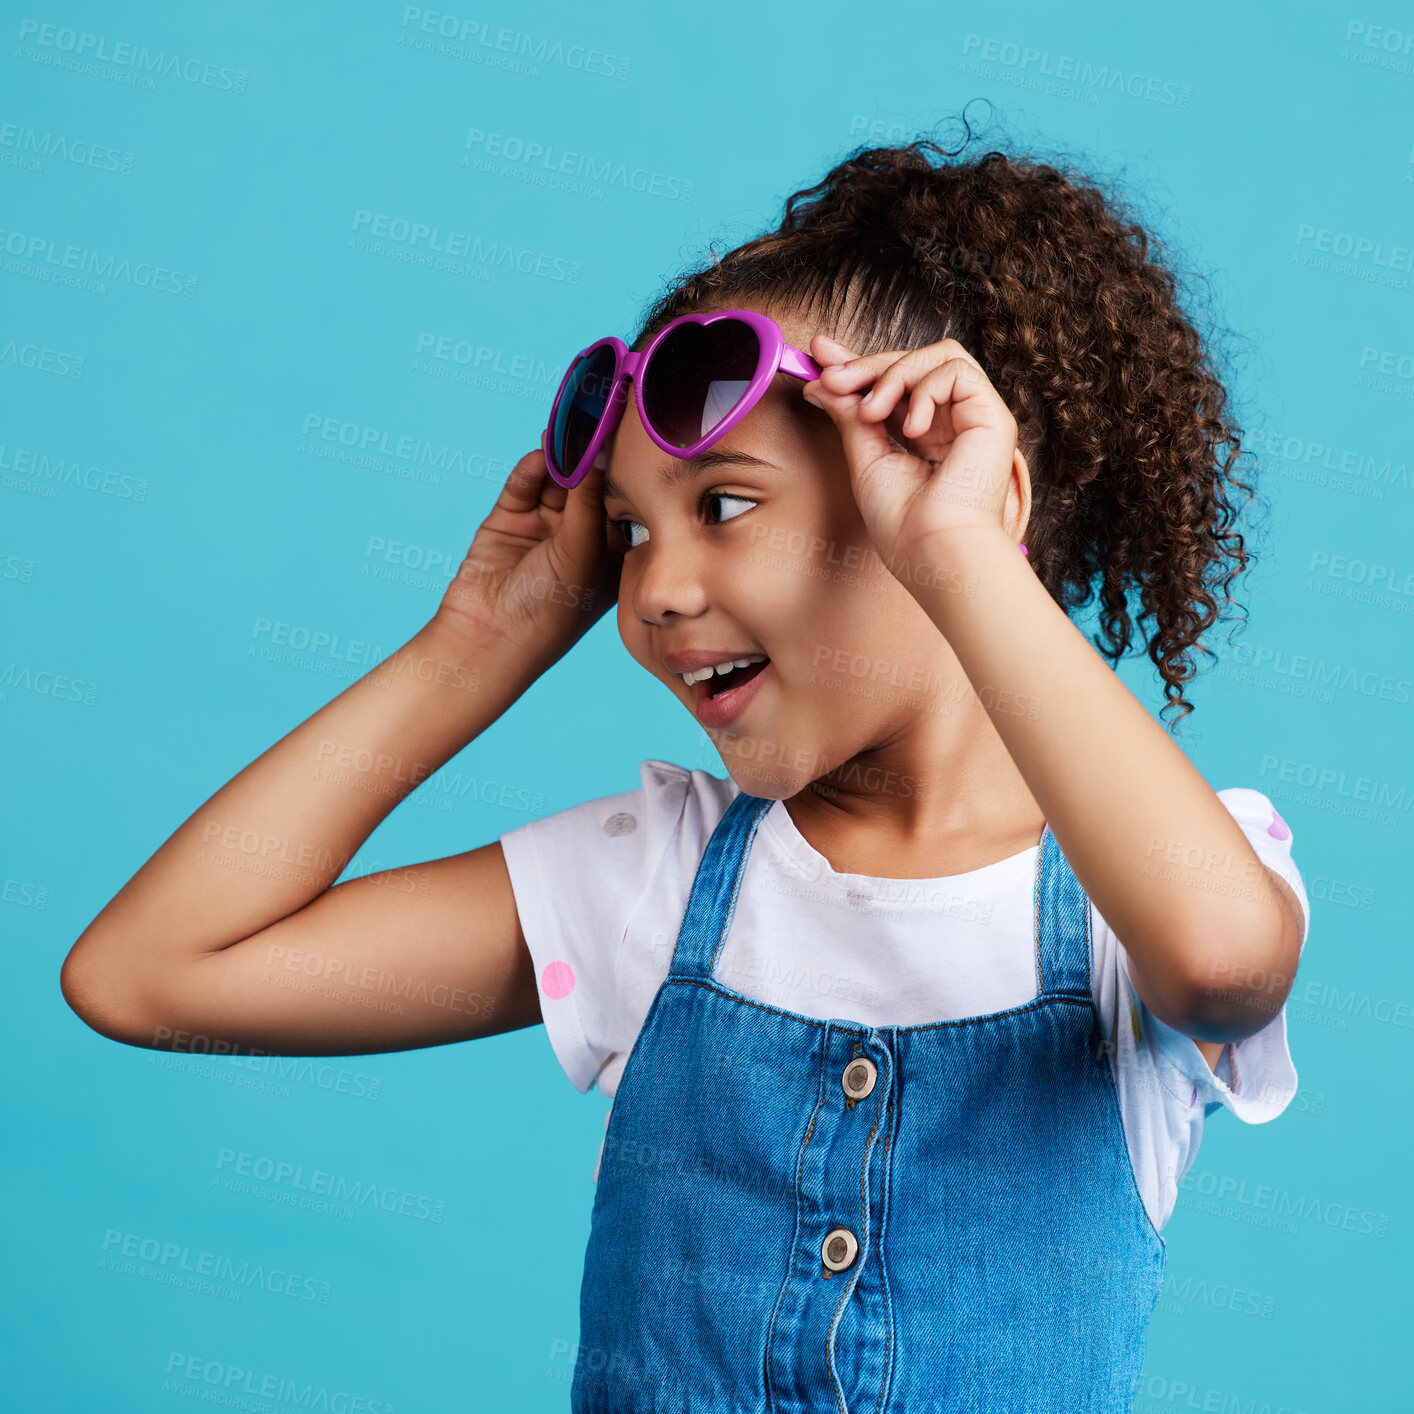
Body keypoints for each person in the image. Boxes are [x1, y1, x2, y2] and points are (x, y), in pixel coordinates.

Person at [61, 125, 1310, 1413]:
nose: (653, 591)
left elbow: (1221, 963)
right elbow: (146, 976)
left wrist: (968, 559)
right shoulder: (652, 886)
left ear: (942, 482)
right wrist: (469, 652)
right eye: (627, 534)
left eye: (722, 506)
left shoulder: (1139, 898)